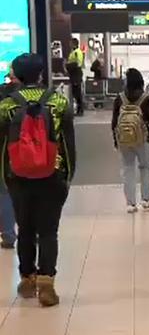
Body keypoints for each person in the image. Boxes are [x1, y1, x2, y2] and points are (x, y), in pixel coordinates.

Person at [0, 53, 76, 306]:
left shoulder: (7, 106)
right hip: (52, 174)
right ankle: (47, 283)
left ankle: (27, 277)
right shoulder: (58, 101)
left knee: (26, 230)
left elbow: (1, 146)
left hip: (18, 175)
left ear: (17, 76)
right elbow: (68, 143)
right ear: (42, 74)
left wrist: (6, 177)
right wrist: (68, 176)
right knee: (48, 231)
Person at [112, 68, 149, 214]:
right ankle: (145, 200)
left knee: (128, 168)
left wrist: (115, 140)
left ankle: (130, 203)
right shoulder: (145, 98)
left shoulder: (119, 98)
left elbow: (114, 122)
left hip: (124, 140)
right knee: (144, 167)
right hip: (142, 139)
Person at [0, 67, 19, 250]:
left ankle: (8, 234)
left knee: (4, 192)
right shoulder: (43, 97)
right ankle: (35, 233)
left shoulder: (4, 99)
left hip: (5, 152)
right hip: (31, 152)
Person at [66, 38, 84, 116]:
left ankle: (80, 110)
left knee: (77, 93)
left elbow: (77, 63)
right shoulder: (73, 52)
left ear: (74, 44)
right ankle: (78, 109)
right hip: (73, 74)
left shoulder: (77, 52)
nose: (69, 45)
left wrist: (67, 65)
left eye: (71, 43)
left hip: (76, 74)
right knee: (74, 92)